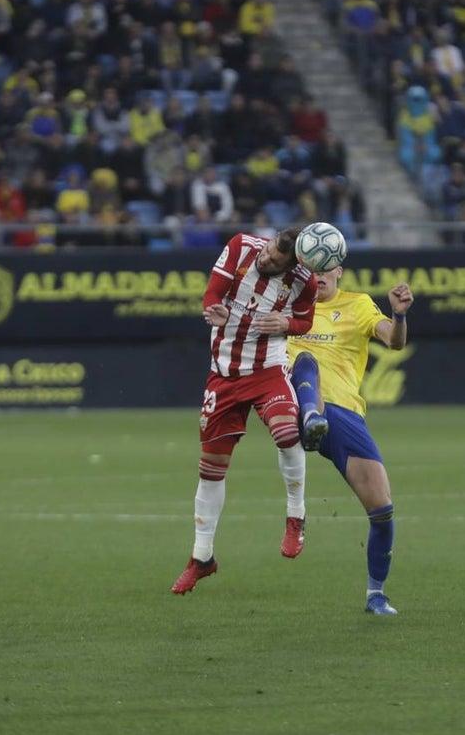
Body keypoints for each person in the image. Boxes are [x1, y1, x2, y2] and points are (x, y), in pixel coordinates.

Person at [172, 226, 319, 595]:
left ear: (289, 268)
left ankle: (295, 516)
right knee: (211, 470)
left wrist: (287, 323)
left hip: (267, 368)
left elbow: (305, 321)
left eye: (275, 260)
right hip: (222, 375)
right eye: (268, 251)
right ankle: (202, 558)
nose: (266, 258)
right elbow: (212, 291)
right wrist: (213, 310)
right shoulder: (240, 247)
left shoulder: (304, 282)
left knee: (287, 434)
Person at [285, 265, 414, 615]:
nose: (319, 275)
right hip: (292, 404)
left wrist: (399, 317)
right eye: (311, 269)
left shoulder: (357, 305)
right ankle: (311, 414)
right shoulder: (287, 306)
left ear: (339, 270)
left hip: (342, 415)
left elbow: (394, 341)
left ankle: (376, 594)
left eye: (325, 268)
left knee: (382, 509)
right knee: (305, 360)